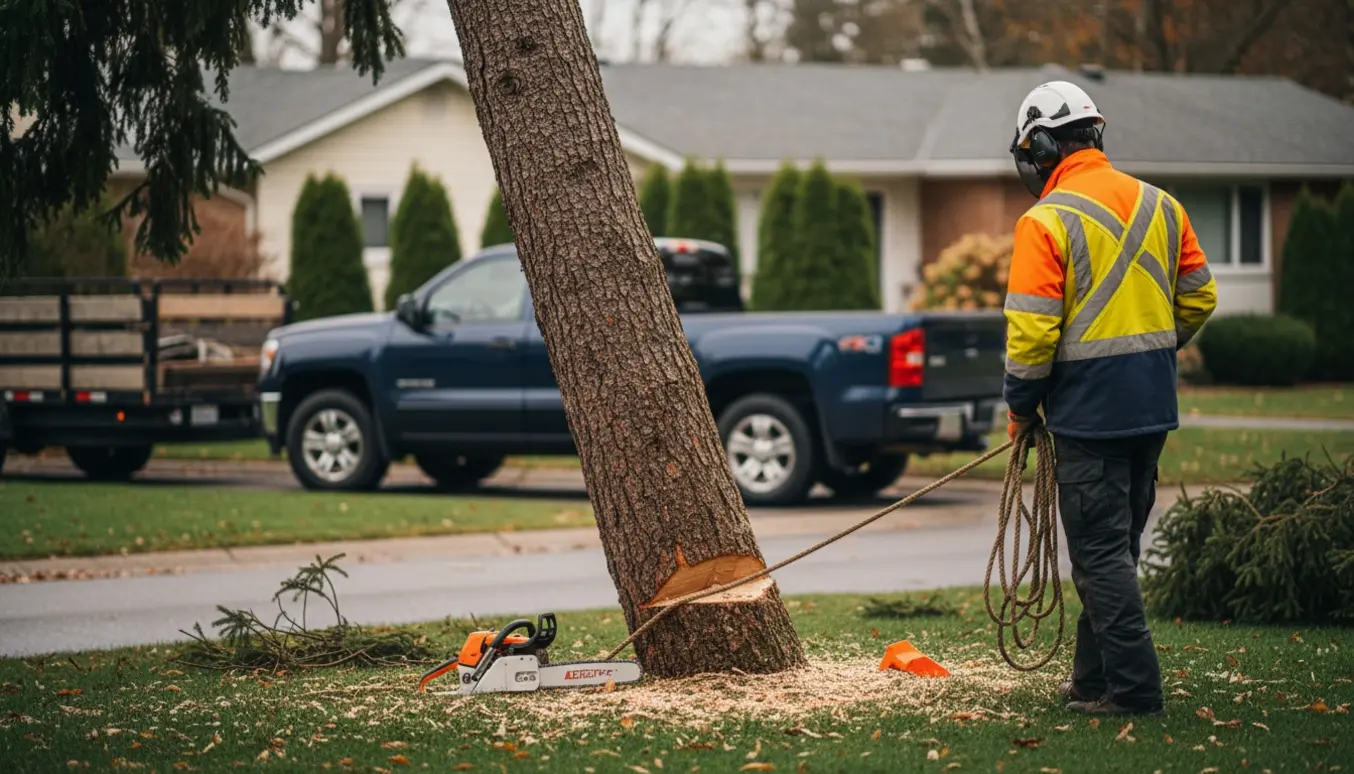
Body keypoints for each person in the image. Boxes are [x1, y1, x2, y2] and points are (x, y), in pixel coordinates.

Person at [1001, 81, 1218, 716]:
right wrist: (1149, 356)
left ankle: (1135, 691)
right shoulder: (1162, 205)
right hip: (1150, 411)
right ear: (1095, 133)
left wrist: (1020, 408)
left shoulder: (1044, 220)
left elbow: (1033, 330)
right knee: (1113, 552)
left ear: (1040, 146)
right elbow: (1200, 295)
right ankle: (1093, 683)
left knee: (1099, 556)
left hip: (1088, 418)